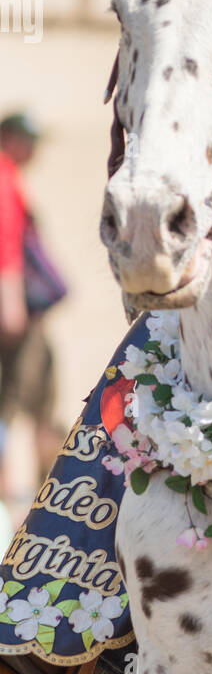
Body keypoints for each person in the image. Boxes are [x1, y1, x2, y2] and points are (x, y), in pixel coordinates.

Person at [0, 112, 66, 528]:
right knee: (13, 406)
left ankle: (41, 497)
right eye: (29, 139)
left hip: (23, 312)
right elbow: (6, 243)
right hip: (15, 314)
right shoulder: (4, 176)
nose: (35, 149)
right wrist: (10, 302)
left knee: (36, 405)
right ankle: (27, 504)